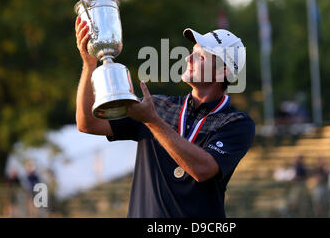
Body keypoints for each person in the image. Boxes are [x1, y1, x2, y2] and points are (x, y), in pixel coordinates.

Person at [75, 16, 255, 218]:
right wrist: (89, 65)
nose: (188, 59)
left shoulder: (236, 122)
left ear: (223, 72)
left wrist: (152, 121)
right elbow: (88, 123)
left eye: (201, 57)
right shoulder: (159, 106)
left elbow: (203, 169)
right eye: (192, 53)